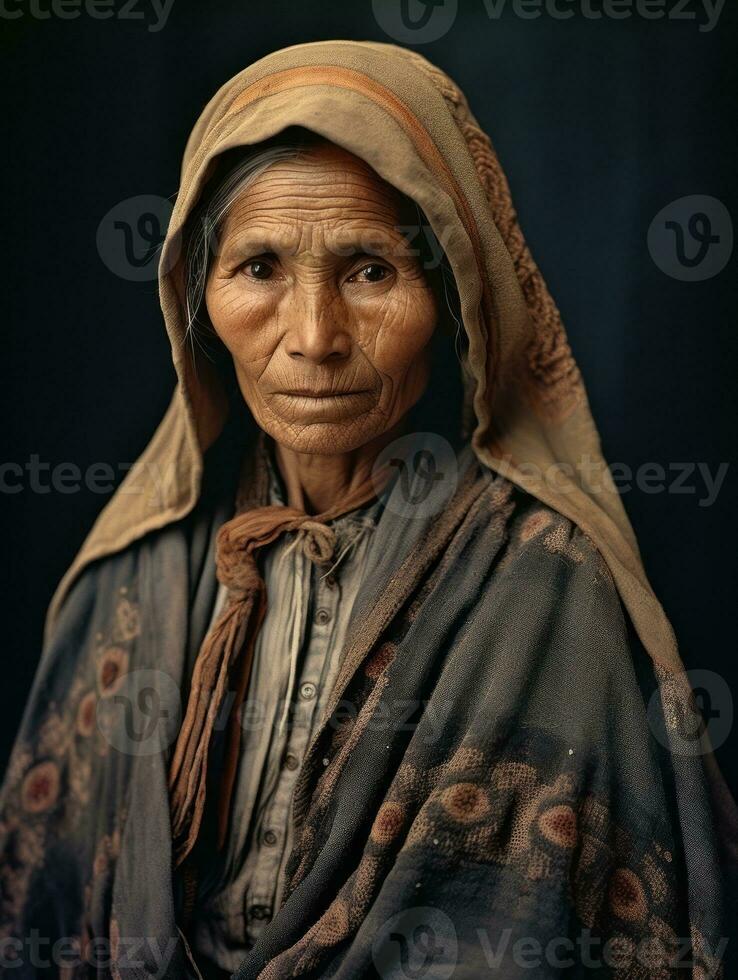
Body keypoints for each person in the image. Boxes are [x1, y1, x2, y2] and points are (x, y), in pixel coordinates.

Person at [1, 40, 734, 980]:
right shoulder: (137, 577)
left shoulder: (546, 594)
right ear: (196, 294)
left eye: (371, 271)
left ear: (457, 291)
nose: (313, 337)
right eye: (258, 268)